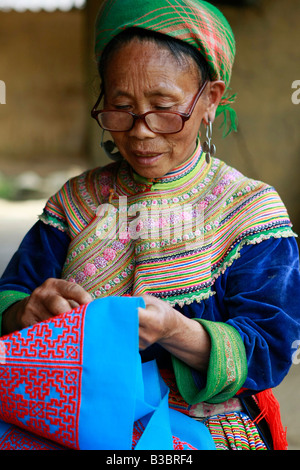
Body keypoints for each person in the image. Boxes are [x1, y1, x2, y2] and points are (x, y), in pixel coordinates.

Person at [0, 0, 300, 450]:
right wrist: (23, 314)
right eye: (120, 107)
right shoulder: (75, 203)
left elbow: (271, 349)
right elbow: (12, 296)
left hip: (203, 428)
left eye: (164, 108)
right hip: (70, 415)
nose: (140, 132)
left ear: (210, 100)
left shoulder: (250, 211)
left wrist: (175, 331)